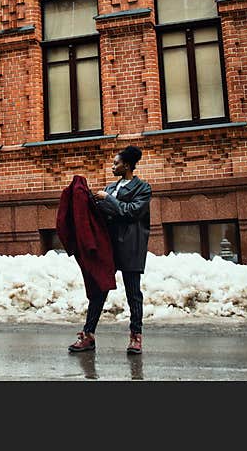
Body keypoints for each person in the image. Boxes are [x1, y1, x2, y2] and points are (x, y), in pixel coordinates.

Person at [67, 145, 152, 355]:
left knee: (133, 293)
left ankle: (135, 337)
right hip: (108, 247)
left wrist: (108, 199)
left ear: (128, 165)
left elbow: (131, 212)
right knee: (98, 290)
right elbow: (101, 213)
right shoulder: (111, 187)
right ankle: (88, 335)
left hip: (131, 246)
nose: (113, 166)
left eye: (116, 163)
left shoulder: (143, 188)